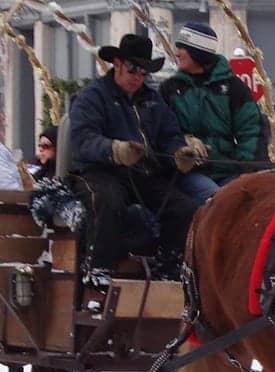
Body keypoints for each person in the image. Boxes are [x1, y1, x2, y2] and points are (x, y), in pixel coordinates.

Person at [69, 34, 203, 286]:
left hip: (143, 174)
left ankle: (171, 266)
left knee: (183, 208)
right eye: (133, 69)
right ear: (117, 63)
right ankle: (98, 270)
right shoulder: (92, 97)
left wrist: (179, 154)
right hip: (99, 172)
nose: (137, 77)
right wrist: (115, 150)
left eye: (143, 72)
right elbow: (83, 140)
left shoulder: (153, 101)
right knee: (106, 201)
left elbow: (169, 135)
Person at [160, 22, 261, 203]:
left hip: (229, 171)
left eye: (182, 48)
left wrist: (245, 169)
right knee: (218, 201)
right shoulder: (170, 89)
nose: (177, 53)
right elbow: (162, 131)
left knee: (243, 202)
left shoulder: (233, 88)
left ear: (197, 53)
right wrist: (184, 142)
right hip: (190, 173)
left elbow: (251, 130)